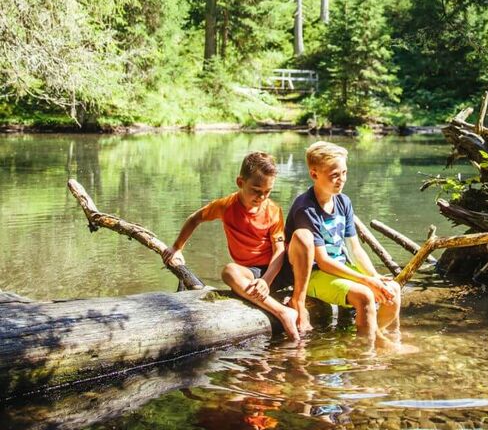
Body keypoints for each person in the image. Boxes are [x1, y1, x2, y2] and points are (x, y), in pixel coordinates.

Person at [162, 151, 299, 341]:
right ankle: (283, 312)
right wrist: (177, 247)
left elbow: (279, 252)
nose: (262, 197)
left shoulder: (273, 211)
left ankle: (292, 306)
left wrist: (266, 281)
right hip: (252, 272)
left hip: (277, 269)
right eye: (256, 190)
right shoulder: (226, 206)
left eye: (268, 192)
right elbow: (195, 219)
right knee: (229, 272)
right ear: (240, 183)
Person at [285, 140, 401, 346]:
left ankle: (382, 337)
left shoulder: (343, 201)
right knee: (365, 295)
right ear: (314, 174)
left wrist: (374, 277)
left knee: (392, 288)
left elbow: (355, 249)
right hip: (313, 274)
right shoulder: (306, 208)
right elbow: (322, 262)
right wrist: (366, 282)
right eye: (334, 176)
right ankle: (367, 351)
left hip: (340, 267)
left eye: (344, 173)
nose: (342, 180)